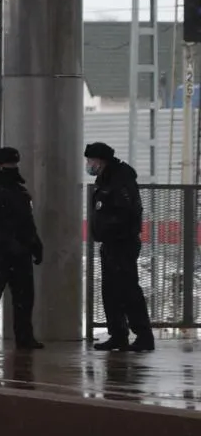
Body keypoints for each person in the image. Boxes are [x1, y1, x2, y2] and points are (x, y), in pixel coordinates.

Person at [0, 146, 43, 350]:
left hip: (21, 251)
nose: (13, 167)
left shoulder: (19, 190)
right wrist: (9, 243)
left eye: (15, 164)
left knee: (24, 297)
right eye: (9, 164)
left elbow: (27, 221)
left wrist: (35, 243)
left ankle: (24, 337)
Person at [85, 142, 154, 352]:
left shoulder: (120, 180)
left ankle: (143, 336)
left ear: (101, 160)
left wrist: (113, 231)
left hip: (122, 243)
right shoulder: (106, 179)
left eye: (90, 161)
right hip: (110, 244)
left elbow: (126, 213)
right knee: (111, 291)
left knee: (128, 290)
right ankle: (118, 334)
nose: (88, 165)